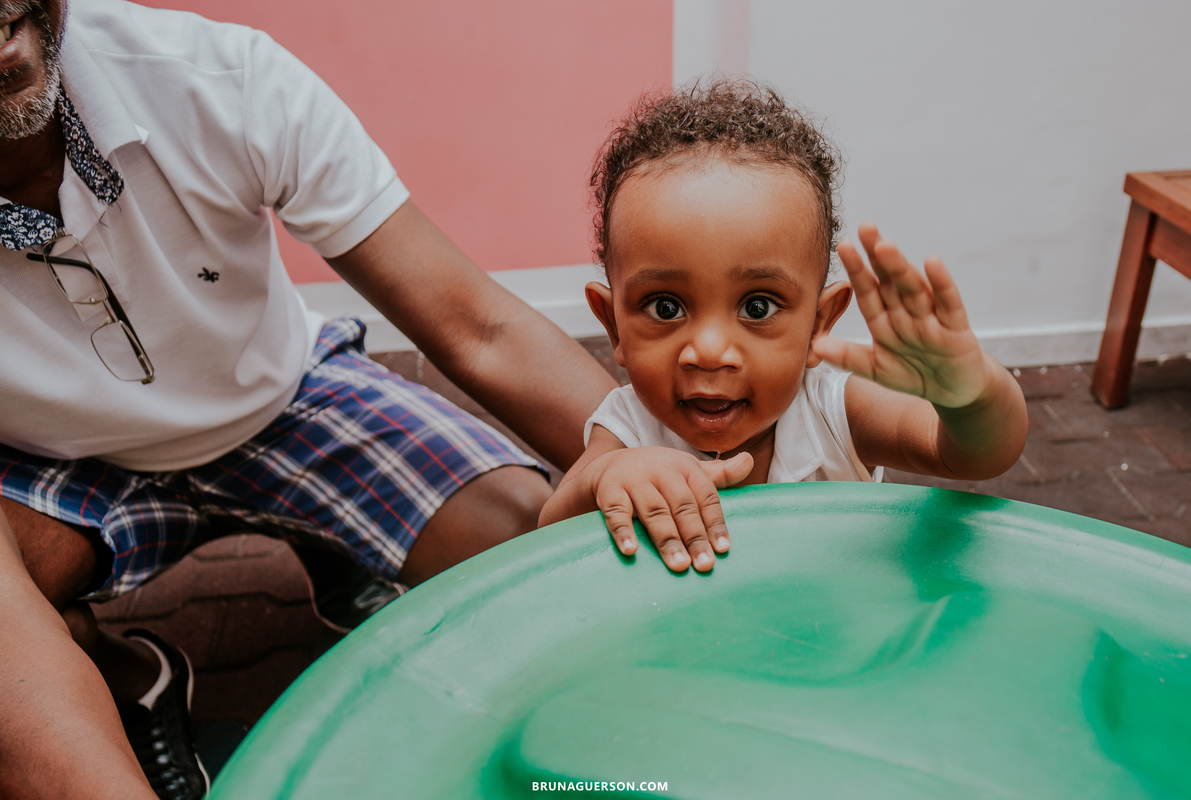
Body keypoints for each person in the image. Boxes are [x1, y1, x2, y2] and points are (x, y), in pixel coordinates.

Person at [0, 1, 617, 799]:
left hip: (281, 400)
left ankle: (329, 541)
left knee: (527, 543)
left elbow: (478, 327)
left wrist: (653, 466)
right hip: (63, 461)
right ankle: (121, 677)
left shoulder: (220, 79)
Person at [539, 81, 1029, 572]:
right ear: (613, 324)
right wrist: (606, 477)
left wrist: (973, 399)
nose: (709, 352)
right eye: (666, 307)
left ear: (820, 323)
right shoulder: (628, 430)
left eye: (757, 307)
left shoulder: (835, 415)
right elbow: (547, 536)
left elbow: (973, 456)